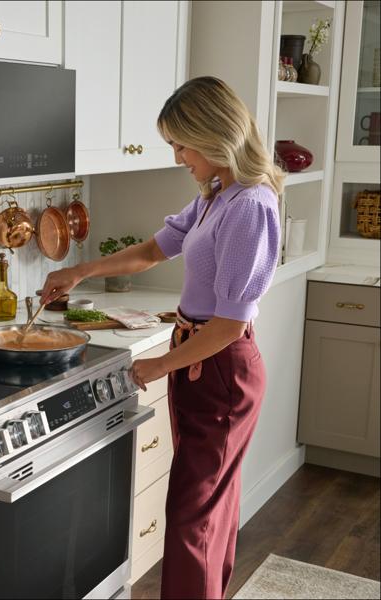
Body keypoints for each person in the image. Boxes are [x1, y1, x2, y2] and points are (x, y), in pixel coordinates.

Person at [39, 76, 284, 600]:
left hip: (218, 366)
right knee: (206, 508)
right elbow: (154, 250)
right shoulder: (219, 196)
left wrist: (155, 367)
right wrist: (79, 271)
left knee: (192, 515)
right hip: (199, 361)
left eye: (181, 143)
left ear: (213, 134)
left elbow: (228, 325)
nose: (177, 157)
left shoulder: (251, 205)